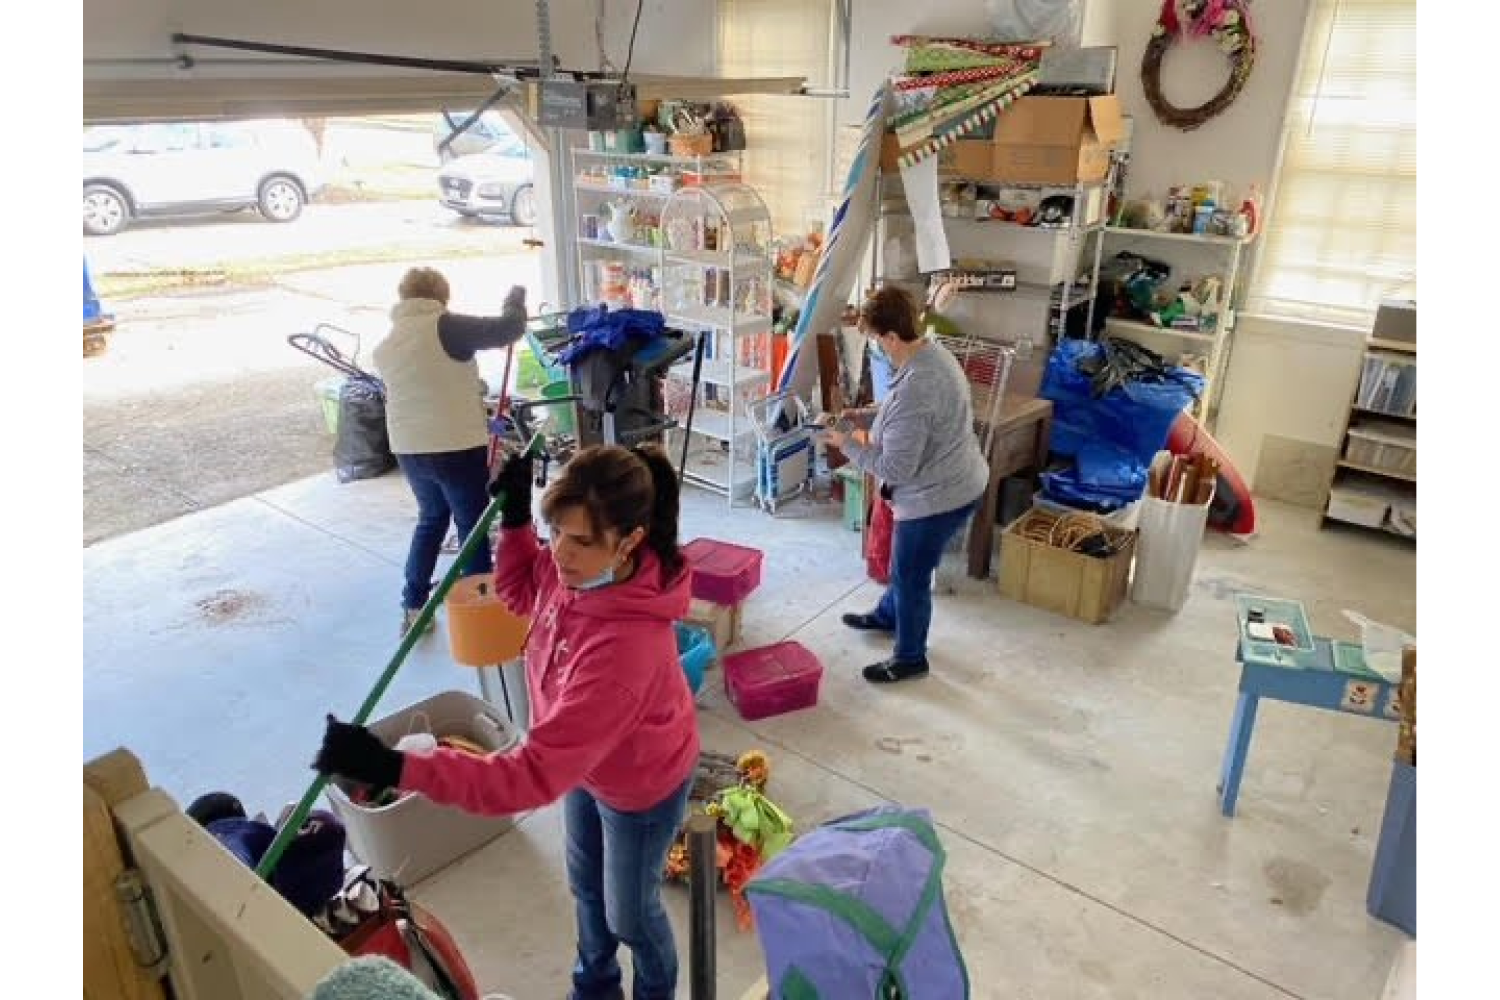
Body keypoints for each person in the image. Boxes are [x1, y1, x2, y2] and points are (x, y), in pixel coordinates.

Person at [313, 443, 699, 1000]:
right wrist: (517, 524)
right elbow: (521, 594)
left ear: (632, 541)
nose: (561, 552)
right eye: (556, 531)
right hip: (585, 764)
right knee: (586, 888)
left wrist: (395, 765)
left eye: (581, 539)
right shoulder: (579, 571)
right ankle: (594, 987)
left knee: (630, 915)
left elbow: (526, 779)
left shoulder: (623, 653)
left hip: (640, 782)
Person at [819, 285, 989, 684]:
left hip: (939, 496)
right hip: (959, 477)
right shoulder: (930, 354)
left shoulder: (918, 386)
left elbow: (895, 469)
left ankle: (911, 657)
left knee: (911, 575)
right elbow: (898, 413)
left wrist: (846, 445)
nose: (876, 346)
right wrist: (860, 418)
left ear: (892, 336)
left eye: (876, 339)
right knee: (904, 566)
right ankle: (887, 615)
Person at [374, 266, 529, 637]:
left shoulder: (389, 342)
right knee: (472, 527)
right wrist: (516, 298)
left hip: (410, 449)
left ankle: (414, 607)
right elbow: (508, 329)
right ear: (440, 296)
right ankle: (483, 614)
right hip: (454, 446)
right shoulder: (446, 325)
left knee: (431, 519)